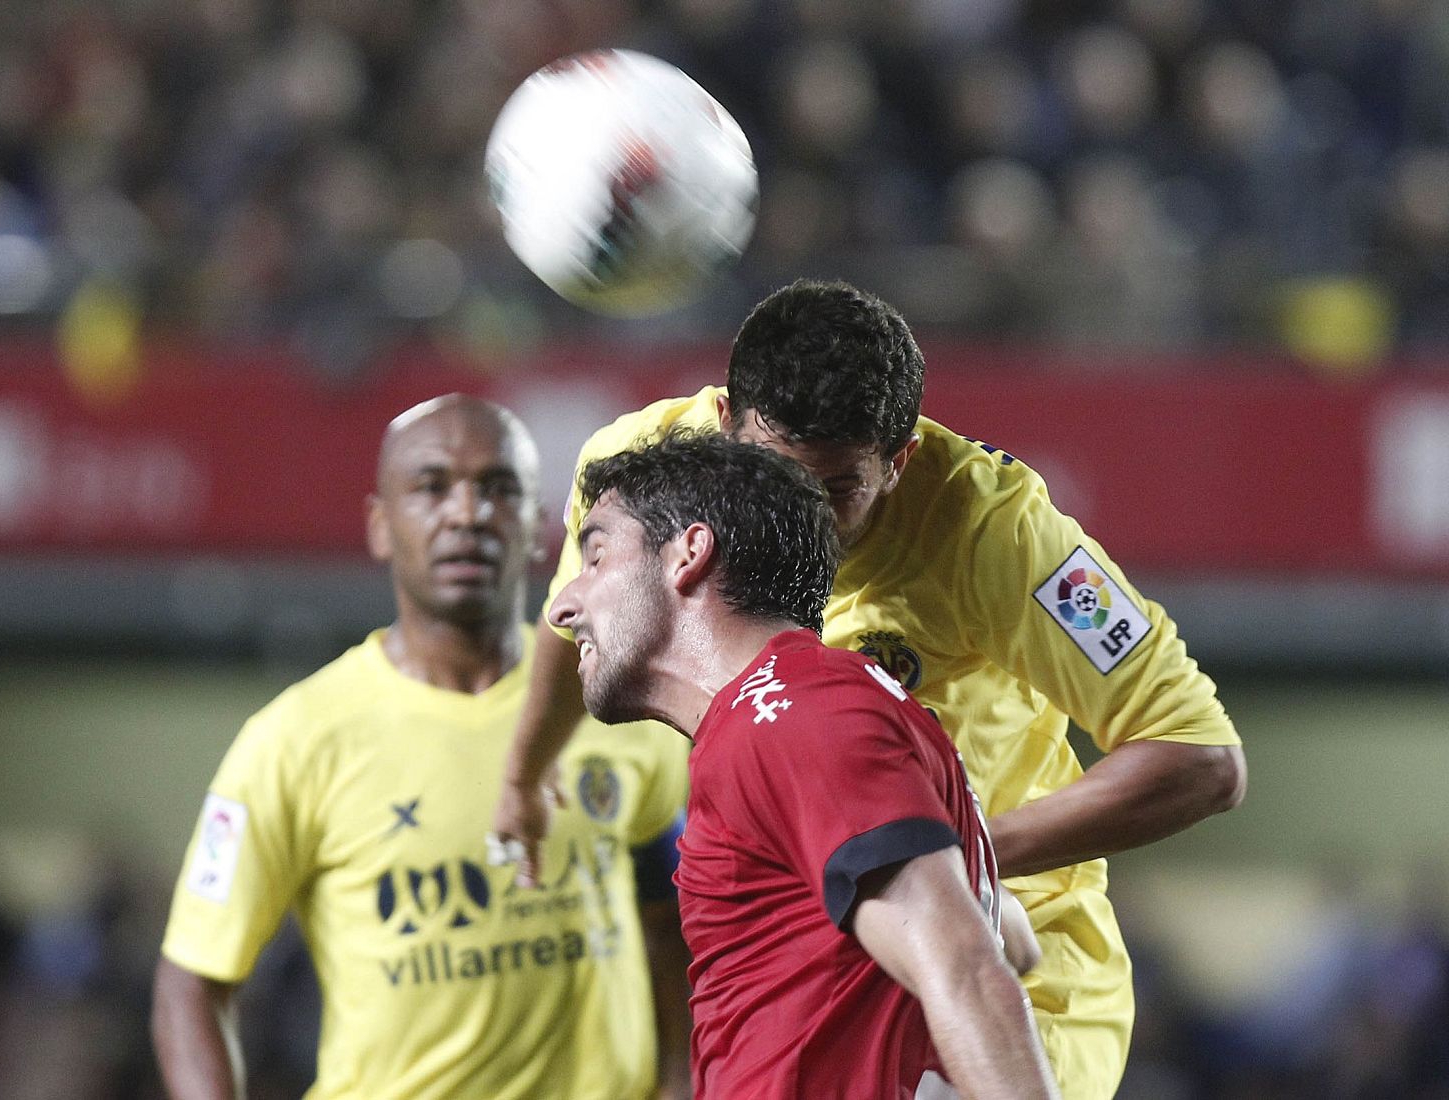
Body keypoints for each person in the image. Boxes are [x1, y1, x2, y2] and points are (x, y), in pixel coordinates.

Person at [495, 279, 1247, 1100]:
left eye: (837, 489)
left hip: (1003, 974)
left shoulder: (997, 536)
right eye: (773, 471)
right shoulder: (651, 478)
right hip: (812, 931)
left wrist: (949, 858)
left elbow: (1200, 759)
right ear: (723, 429)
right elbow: (583, 618)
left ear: (900, 461)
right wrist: (524, 772)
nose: (802, 513)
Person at [153, 395, 693, 1100]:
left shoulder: (614, 702)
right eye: (432, 487)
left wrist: (681, 1084)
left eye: (497, 489)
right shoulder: (292, 740)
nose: (466, 514)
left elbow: (669, 927)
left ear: (537, 526)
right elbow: (190, 985)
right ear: (381, 527)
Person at [548, 430, 1060, 1099]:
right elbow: (1006, 942)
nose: (564, 606)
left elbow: (966, 970)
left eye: (595, 556)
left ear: (687, 554)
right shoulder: (803, 710)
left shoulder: (789, 716)